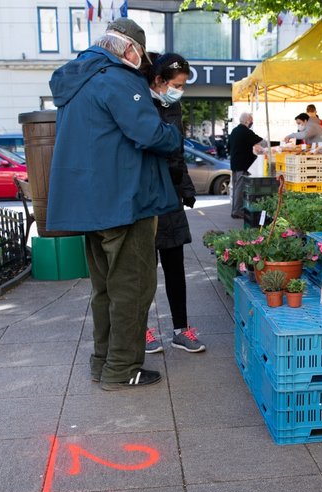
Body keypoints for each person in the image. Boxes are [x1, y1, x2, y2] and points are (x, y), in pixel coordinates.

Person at [45, 18, 183, 390]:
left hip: (93, 205)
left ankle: (102, 362)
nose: (142, 63)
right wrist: (172, 132)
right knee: (133, 289)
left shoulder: (79, 80)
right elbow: (151, 133)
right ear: (129, 49)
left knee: (104, 288)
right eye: (141, 56)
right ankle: (122, 369)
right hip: (125, 201)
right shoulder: (117, 79)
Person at [144, 52, 205, 355]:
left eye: (182, 85)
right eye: (176, 84)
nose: (179, 90)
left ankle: (181, 330)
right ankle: (140, 329)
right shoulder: (139, 104)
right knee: (143, 269)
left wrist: (186, 187)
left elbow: (177, 153)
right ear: (158, 80)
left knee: (175, 266)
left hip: (170, 197)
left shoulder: (173, 105)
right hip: (145, 197)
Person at [227, 112, 267, 221]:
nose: (251, 123)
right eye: (251, 121)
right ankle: (237, 211)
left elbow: (228, 147)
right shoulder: (246, 132)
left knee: (236, 187)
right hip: (243, 164)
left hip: (234, 163)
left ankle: (235, 210)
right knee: (240, 188)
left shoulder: (234, 131)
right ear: (247, 121)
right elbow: (262, 142)